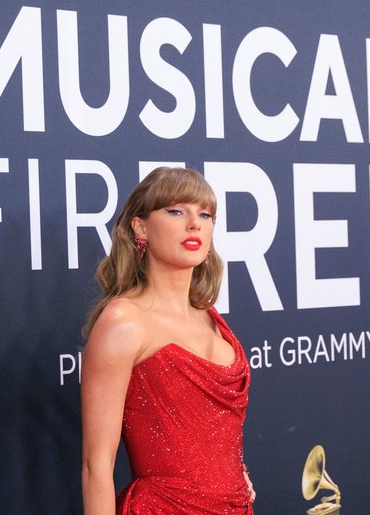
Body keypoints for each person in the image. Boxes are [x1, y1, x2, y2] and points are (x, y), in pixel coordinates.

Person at [80, 167, 255, 514]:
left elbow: (212, 437)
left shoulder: (210, 316)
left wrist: (230, 478)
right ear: (140, 227)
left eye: (205, 214)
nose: (195, 224)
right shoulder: (123, 321)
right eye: (176, 211)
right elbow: (95, 466)